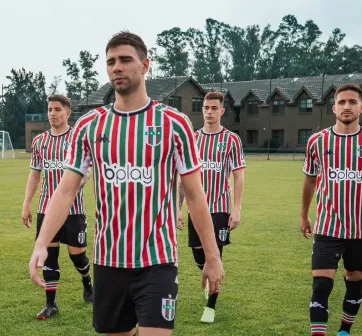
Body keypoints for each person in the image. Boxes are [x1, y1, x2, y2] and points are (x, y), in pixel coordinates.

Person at [29, 31, 224, 336]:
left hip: (157, 259)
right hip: (109, 260)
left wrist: (212, 258)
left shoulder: (174, 123)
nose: (116, 67)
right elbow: (66, 190)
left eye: (124, 60)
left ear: (145, 65)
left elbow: (196, 196)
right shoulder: (90, 126)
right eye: (110, 62)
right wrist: (42, 243)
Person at [21, 94, 93, 319]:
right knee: (49, 256)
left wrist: (81, 182)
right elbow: (34, 175)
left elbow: (88, 172)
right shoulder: (40, 141)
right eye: (50, 109)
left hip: (74, 210)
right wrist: (26, 204)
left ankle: (87, 284)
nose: (52, 113)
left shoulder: (78, 139)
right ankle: (50, 303)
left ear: (68, 113)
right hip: (45, 209)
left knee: (77, 257)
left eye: (57, 109)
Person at [177, 91, 245, 323]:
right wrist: (178, 206)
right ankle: (211, 277)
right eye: (206, 108)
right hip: (195, 209)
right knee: (199, 255)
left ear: (222, 111)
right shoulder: (193, 139)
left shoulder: (231, 140)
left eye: (214, 108)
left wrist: (236, 208)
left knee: (215, 253)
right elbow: (182, 176)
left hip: (219, 207)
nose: (209, 112)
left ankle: (211, 306)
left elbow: (238, 176)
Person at [301, 83, 362, 336]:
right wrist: (304, 215)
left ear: (360, 106)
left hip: (360, 230)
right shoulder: (317, 141)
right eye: (342, 102)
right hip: (327, 227)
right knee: (321, 287)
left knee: (355, 286)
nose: (347, 106)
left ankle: (344, 331)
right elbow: (310, 179)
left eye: (352, 102)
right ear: (333, 106)